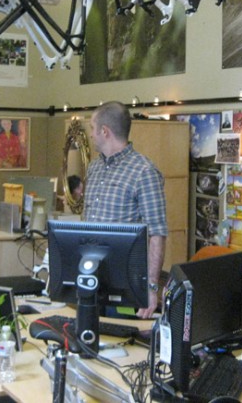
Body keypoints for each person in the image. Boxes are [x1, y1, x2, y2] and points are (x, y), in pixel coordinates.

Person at [83, 101, 167, 319]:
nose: (91, 134)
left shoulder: (144, 172)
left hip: (125, 283)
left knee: (121, 335)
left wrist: (151, 288)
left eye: (92, 128)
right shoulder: (94, 168)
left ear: (104, 131)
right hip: (90, 278)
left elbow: (157, 234)